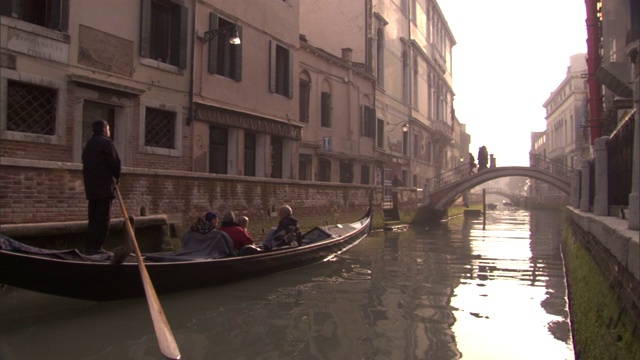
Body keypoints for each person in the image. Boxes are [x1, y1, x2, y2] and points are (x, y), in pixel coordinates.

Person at [82, 120, 121, 256]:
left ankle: (90, 247)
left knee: (93, 218)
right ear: (105, 128)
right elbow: (115, 163)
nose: (109, 131)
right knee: (103, 219)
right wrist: (117, 179)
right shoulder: (106, 142)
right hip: (104, 187)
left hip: (91, 188)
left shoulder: (89, 144)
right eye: (108, 128)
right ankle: (97, 247)